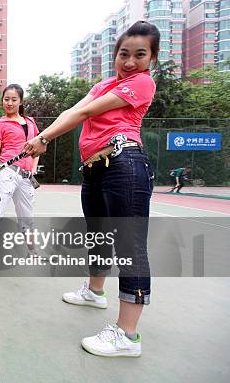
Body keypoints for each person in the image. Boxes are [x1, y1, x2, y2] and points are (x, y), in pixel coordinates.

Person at [24, 20, 160, 357]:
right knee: (98, 235)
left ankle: (127, 335)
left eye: (139, 55)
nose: (130, 62)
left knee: (130, 247)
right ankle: (95, 291)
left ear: (151, 58)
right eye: (123, 54)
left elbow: (86, 111)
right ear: (115, 55)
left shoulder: (142, 83)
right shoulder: (104, 84)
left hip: (125, 164)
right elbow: (73, 109)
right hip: (96, 168)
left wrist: (43, 137)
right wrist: (42, 138)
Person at [0, 84, 40, 279]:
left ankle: (33, 252)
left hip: (26, 177)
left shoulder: (30, 122)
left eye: (13, 99)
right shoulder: (0, 124)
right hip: (6, 173)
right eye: (6, 99)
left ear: (21, 101)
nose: (9, 103)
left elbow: (38, 145)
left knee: (27, 218)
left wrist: (34, 167)